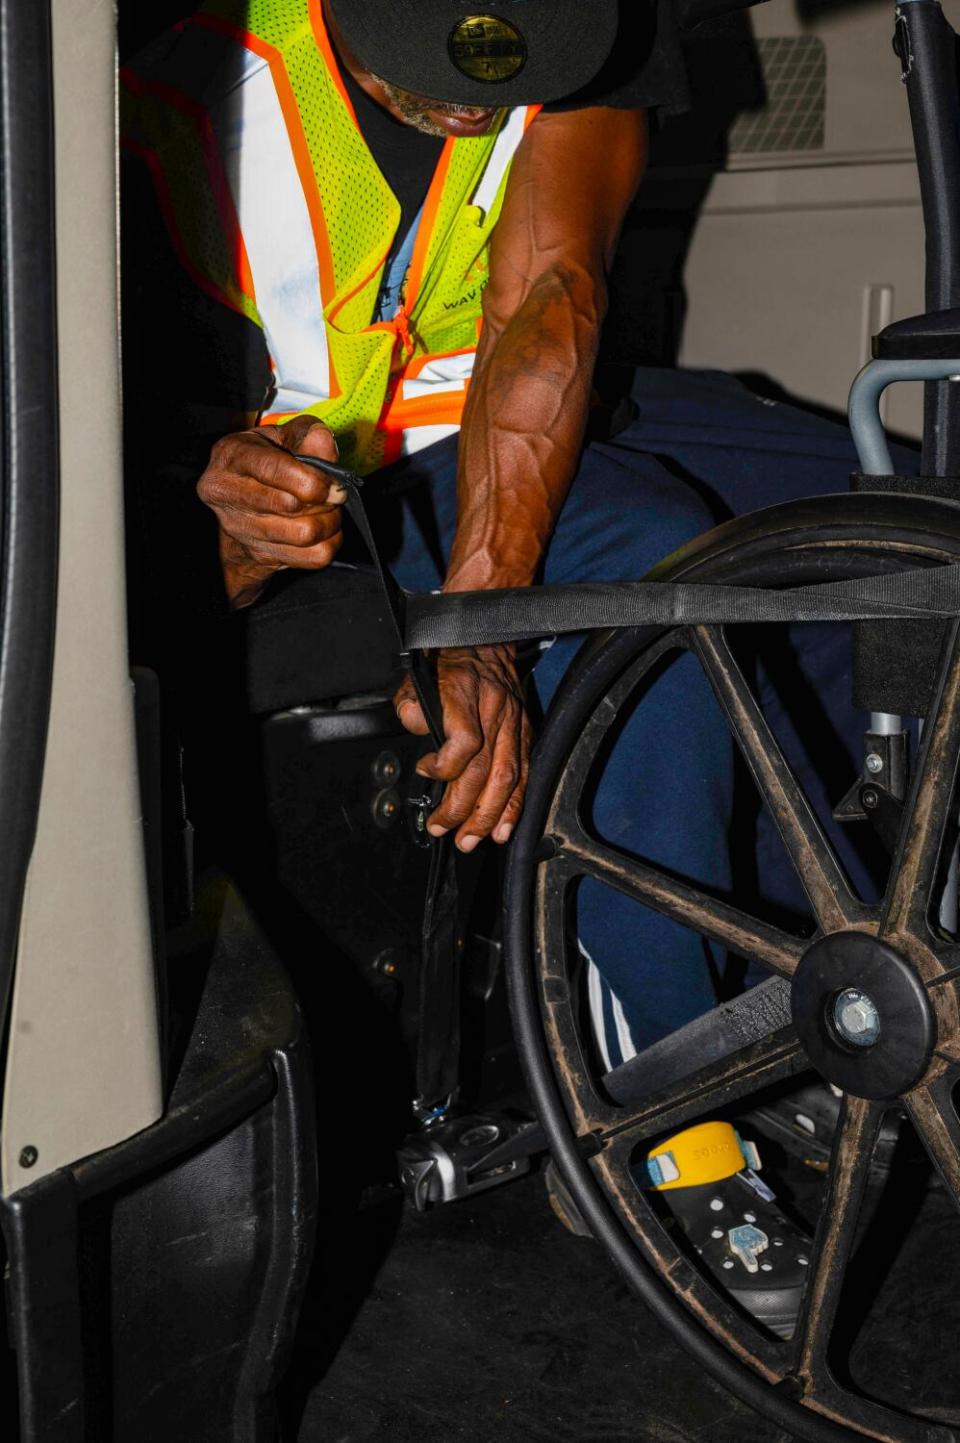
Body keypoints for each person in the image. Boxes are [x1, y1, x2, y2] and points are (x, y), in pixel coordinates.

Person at [120, 0, 890, 1067]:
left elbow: (551, 294)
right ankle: (667, 1076)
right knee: (652, 552)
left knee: (876, 521)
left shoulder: (595, 21)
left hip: (453, 431)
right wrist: (220, 538)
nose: (473, 104)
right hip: (226, 470)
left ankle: (816, 963)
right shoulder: (166, 44)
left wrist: (485, 618)